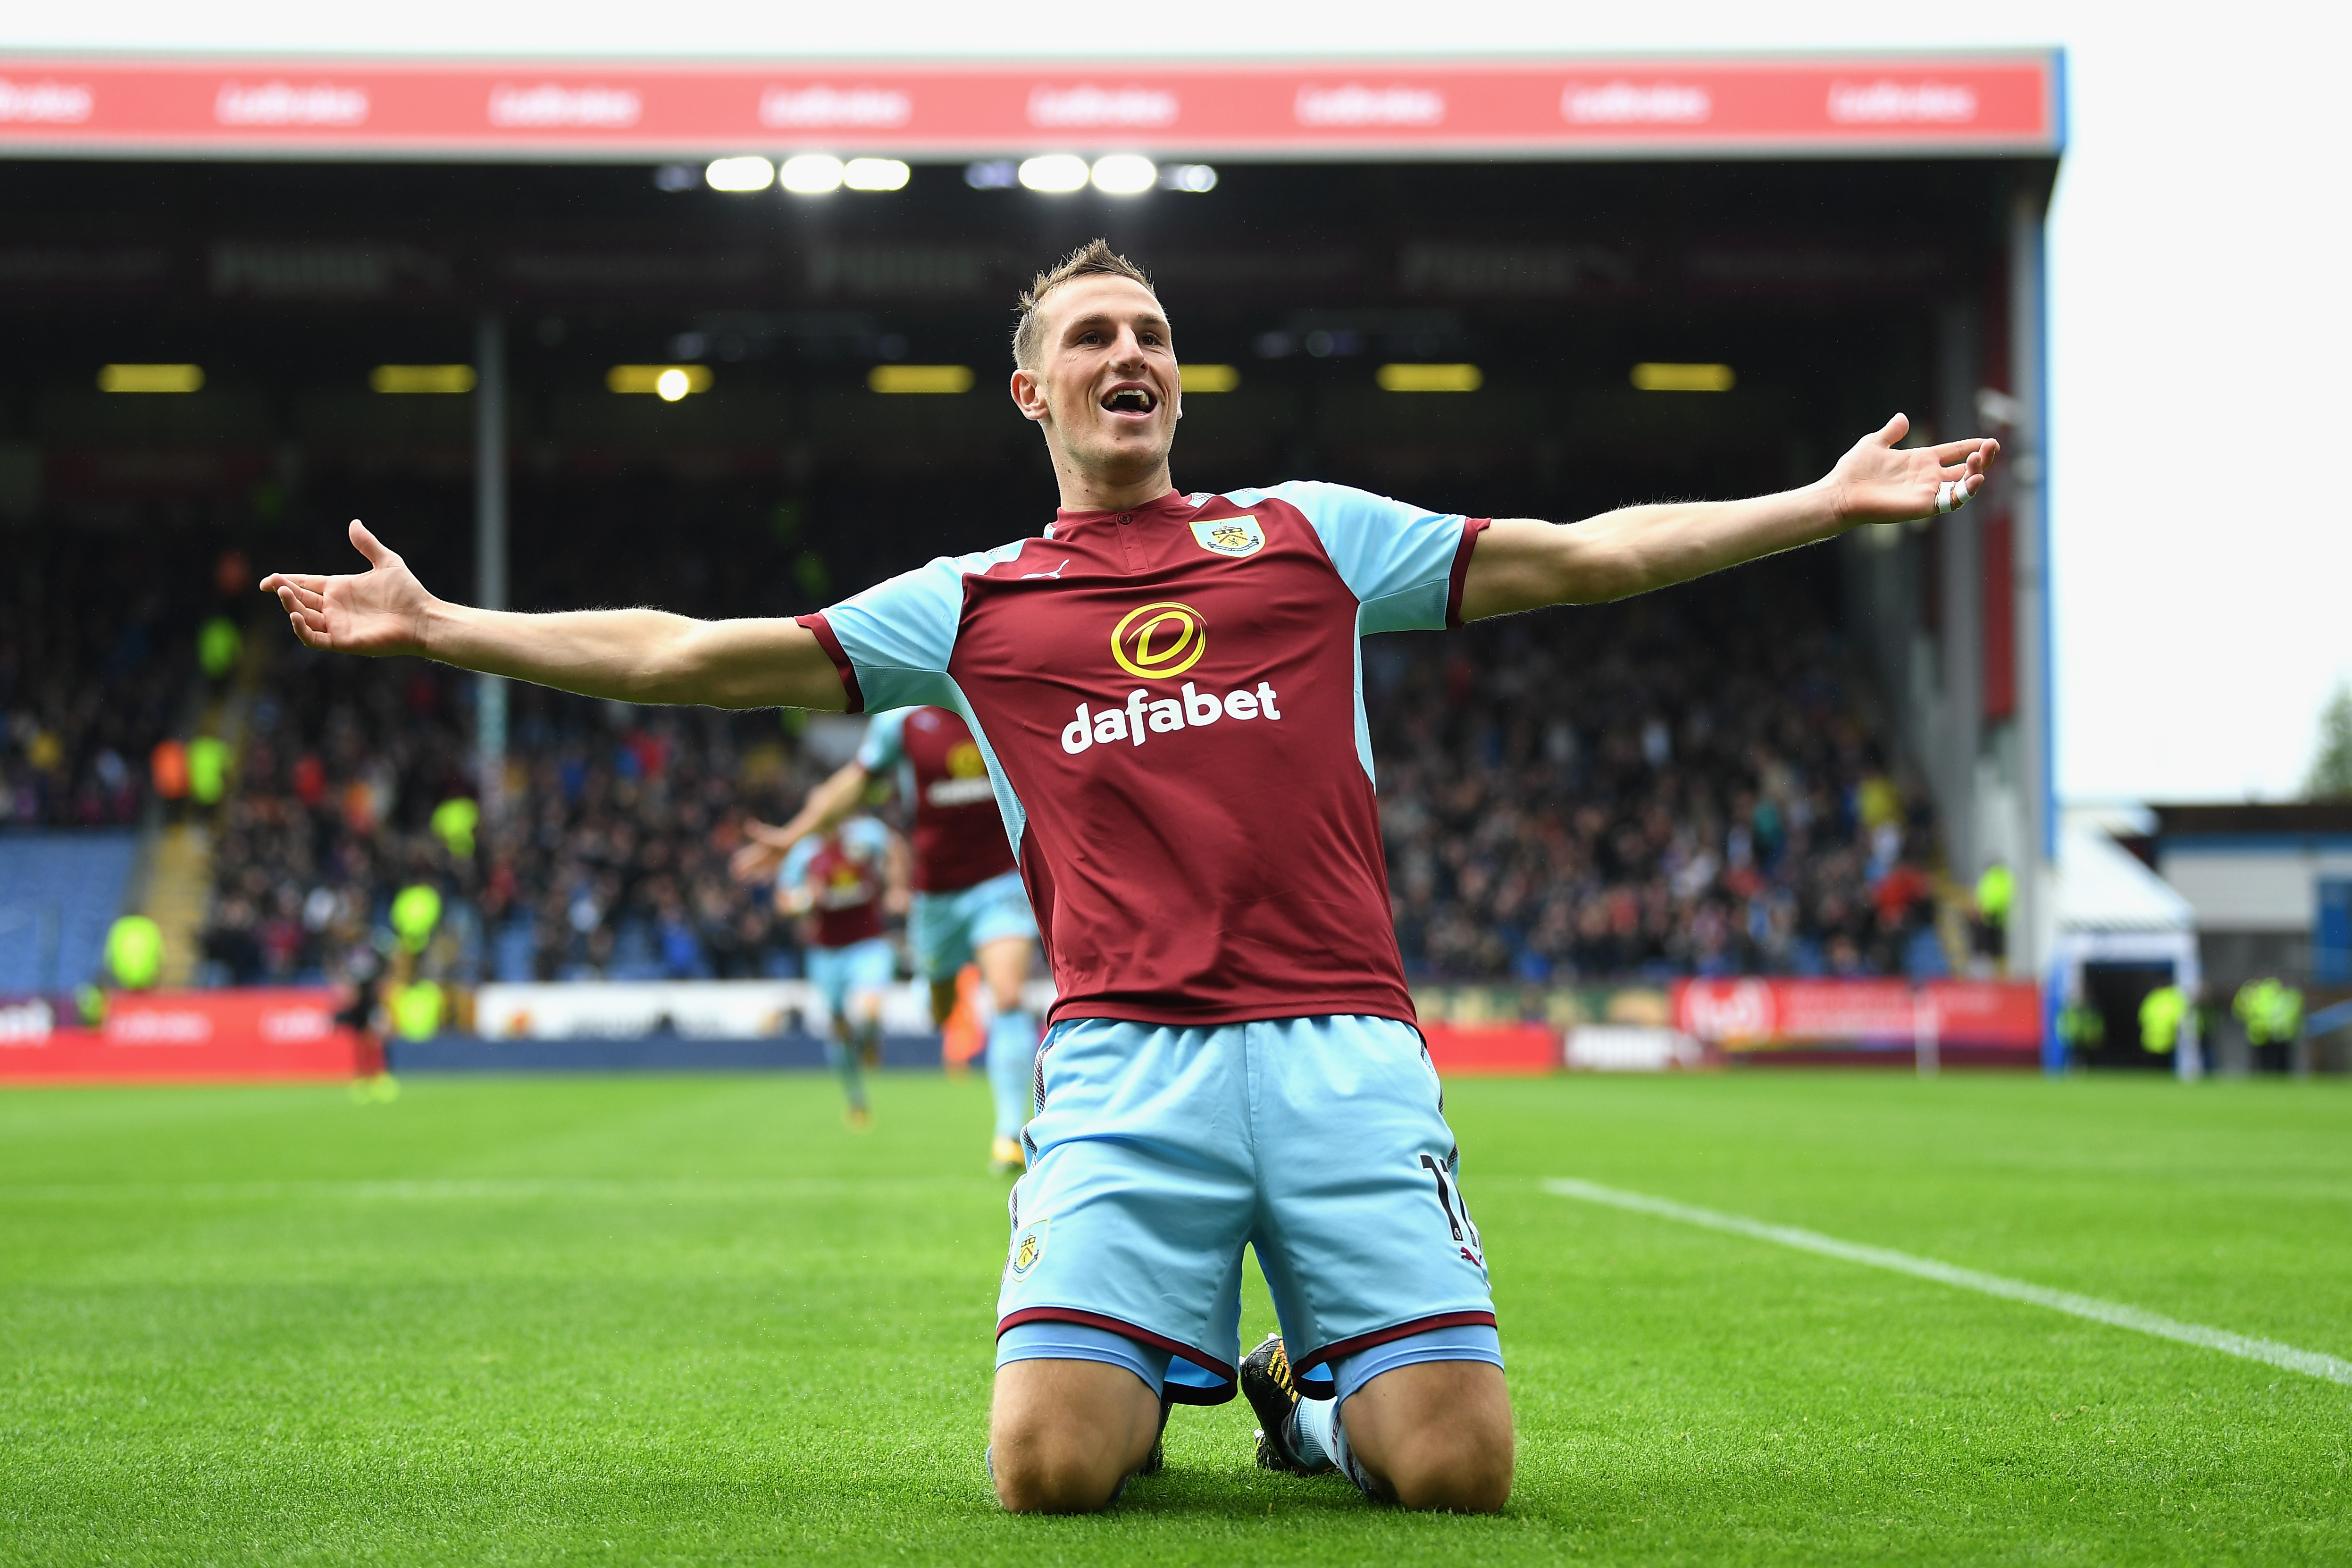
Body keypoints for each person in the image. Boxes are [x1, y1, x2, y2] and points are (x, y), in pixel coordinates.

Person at [260, 238, 1997, 1515]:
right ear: (1034, 392)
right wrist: (443, 625)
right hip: (1123, 1063)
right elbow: (683, 654)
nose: (1128, 354)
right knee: (1045, 1471)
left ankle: (1295, 1401)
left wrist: (1817, 504)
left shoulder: (1311, 537)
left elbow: (1586, 555)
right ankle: (1144, 1376)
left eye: (1151, 334)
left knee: (1458, 1473)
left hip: (1342, 1048)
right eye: (1090, 336)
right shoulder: (970, 604)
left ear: (1177, 381)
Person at [734, 706, 1043, 1174]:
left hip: (1002, 878)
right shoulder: (901, 720)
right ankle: (925, 996)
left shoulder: (1000, 696)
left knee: (1008, 994)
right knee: (939, 1008)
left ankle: (1007, 1135)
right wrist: (793, 837)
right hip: (936, 896)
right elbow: (854, 781)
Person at [776, 814, 908, 1128]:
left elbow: (896, 848)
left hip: (868, 944)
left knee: (870, 1010)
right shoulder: (805, 852)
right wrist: (807, 899)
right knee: (840, 1031)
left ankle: (871, 1037)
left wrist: (898, 887)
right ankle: (856, 1099)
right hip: (827, 953)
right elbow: (784, 901)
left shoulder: (867, 834)